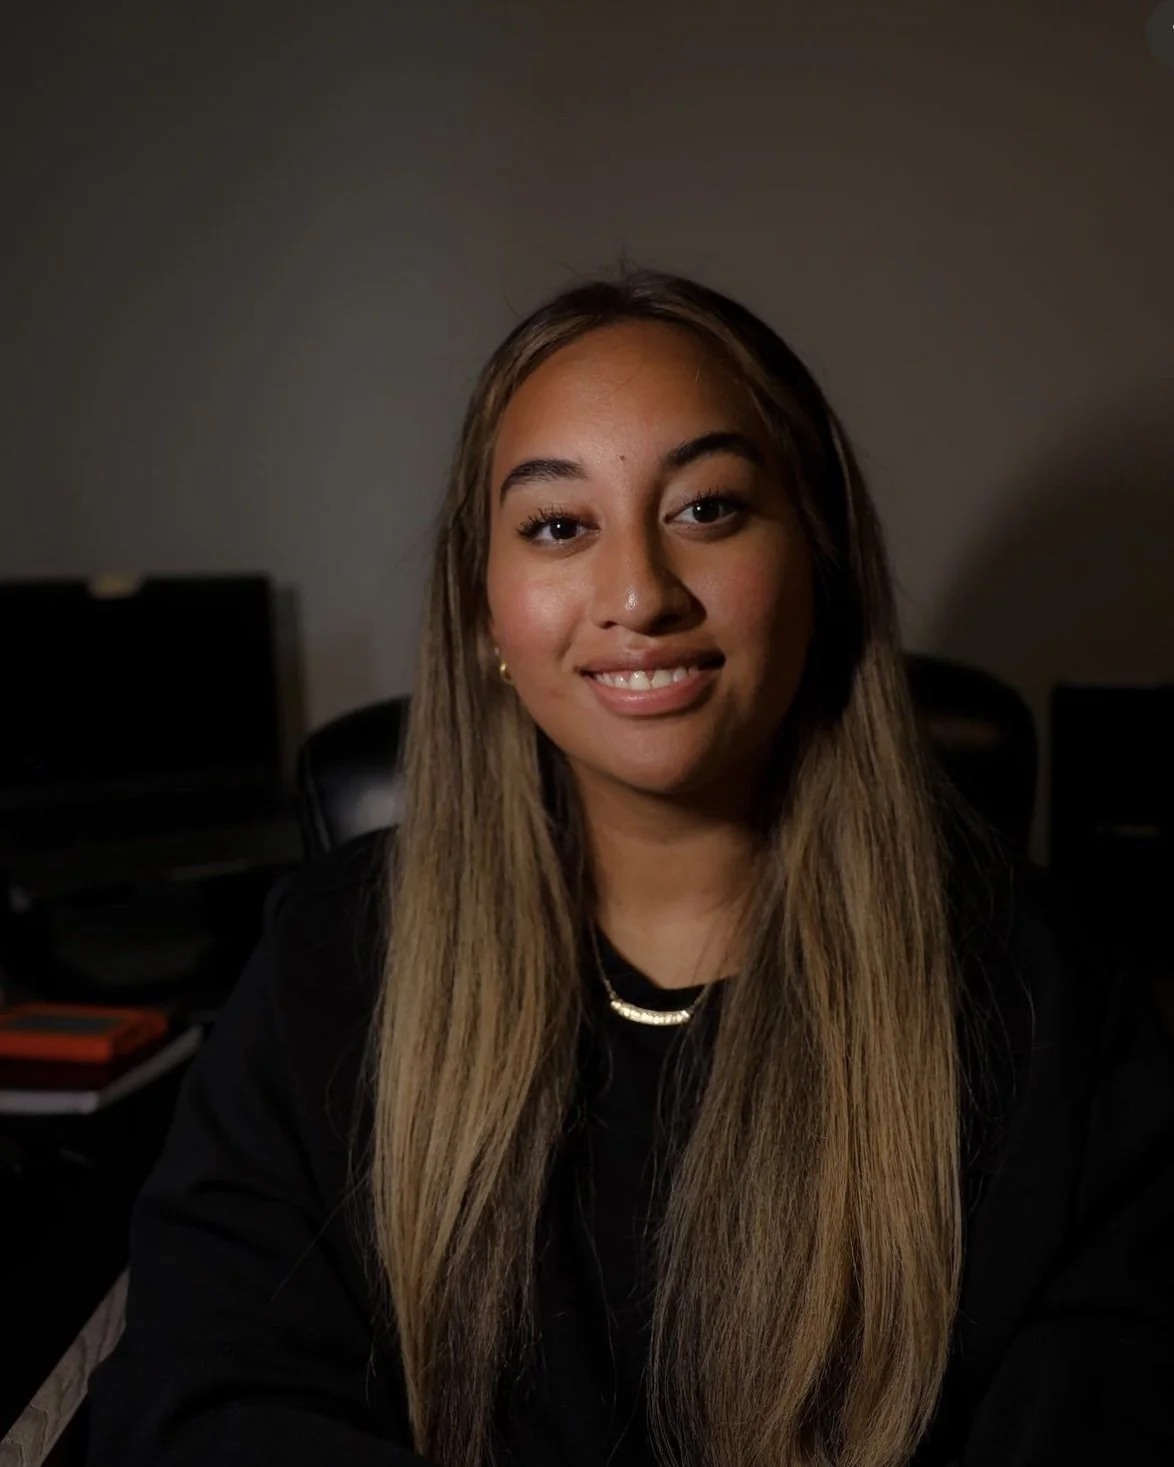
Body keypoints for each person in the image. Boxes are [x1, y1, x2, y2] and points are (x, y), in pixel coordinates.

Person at [85, 272, 1174, 1467]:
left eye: (707, 508)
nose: (640, 594)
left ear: (815, 558)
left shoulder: (1047, 993)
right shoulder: (325, 967)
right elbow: (196, 1399)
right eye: (558, 526)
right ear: (486, 612)